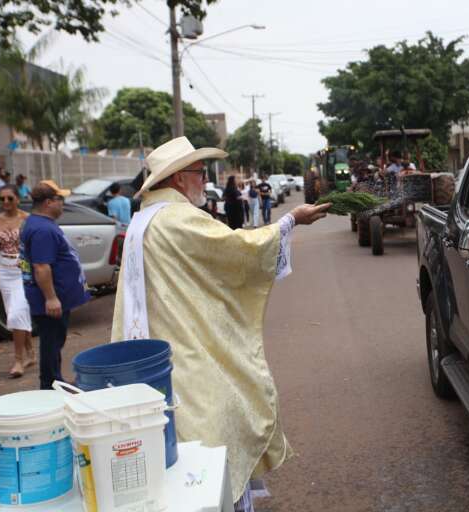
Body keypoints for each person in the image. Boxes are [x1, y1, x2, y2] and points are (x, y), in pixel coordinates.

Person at [111, 136, 331, 511]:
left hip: (157, 345)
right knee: (218, 428)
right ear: (179, 179)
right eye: (199, 172)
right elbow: (236, 250)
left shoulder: (144, 218)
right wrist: (291, 220)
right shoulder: (176, 218)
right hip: (185, 352)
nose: (203, 179)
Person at [20, 180, 90, 390]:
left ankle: (55, 380)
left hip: (55, 297)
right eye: (60, 199)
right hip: (50, 300)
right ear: (49, 202)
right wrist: (51, 298)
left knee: (54, 341)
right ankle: (50, 386)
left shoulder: (40, 224)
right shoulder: (42, 229)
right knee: (51, 342)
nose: (63, 203)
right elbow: (41, 266)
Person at [0, 185, 33, 378]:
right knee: (15, 314)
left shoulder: (26, 219)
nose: (6, 202)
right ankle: (30, 354)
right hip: (4, 269)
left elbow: (32, 244)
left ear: (17, 199)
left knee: (16, 314)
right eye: (2, 199)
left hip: (22, 270)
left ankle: (18, 360)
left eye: (9, 198)